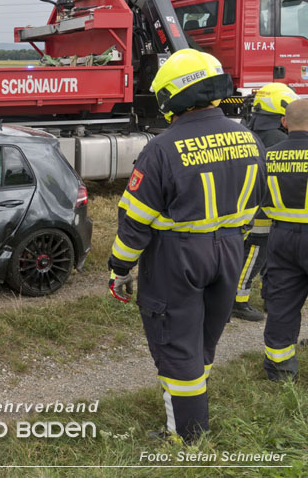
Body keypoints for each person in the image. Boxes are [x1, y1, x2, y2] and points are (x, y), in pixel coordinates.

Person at [107, 48, 266, 442]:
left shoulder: (162, 148)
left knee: (176, 341)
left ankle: (187, 438)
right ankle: (191, 402)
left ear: (170, 97)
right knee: (203, 335)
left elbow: (136, 222)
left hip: (177, 256)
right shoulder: (249, 139)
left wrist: (120, 268)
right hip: (230, 248)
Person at [233, 83, 300, 321]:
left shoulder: (247, 129)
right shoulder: (275, 137)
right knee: (256, 253)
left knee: (251, 251)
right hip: (263, 209)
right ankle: (238, 300)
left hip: (244, 203)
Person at [259, 98, 308, 381]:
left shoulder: (269, 155)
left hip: (282, 238)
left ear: (284, 122)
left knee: (282, 304)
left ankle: (280, 370)